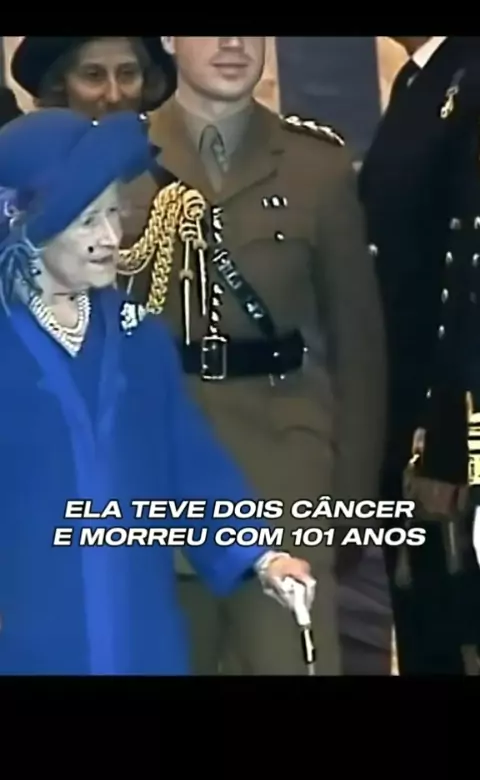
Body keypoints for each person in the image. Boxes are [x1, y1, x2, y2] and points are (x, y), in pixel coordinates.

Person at [0, 106, 315, 675]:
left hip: (141, 633)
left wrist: (259, 554)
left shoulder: (138, 337)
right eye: (86, 221)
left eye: (114, 212)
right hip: (30, 636)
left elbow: (188, 461)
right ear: (25, 230)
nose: (111, 237)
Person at [119, 36, 386, 675]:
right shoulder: (117, 159)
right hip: (152, 474)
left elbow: (358, 348)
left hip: (285, 473)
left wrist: (351, 497)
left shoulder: (316, 166)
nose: (233, 43)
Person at [359, 36, 480, 675]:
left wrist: (450, 440)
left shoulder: (471, 73)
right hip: (406, 408)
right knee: (425, 621)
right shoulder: (423, 78)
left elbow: (470, 271)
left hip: (451, 425)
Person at [10, 35, 176, 118]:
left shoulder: (172, 158)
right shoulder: (34, 166)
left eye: (127, 74)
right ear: (60, 82)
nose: (114, 96)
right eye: (94, 76)